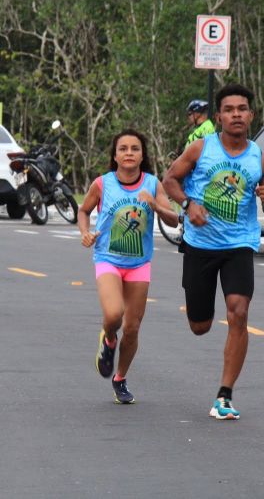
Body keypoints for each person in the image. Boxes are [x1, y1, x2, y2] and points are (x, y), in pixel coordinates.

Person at [163, 84, 264, 420]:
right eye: (229, 109)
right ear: (219, 117)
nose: (236, 115)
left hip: (239, 244)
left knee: (238, 312)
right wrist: (188, 204)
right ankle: (201, 316)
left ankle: (224, 396)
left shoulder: (261, 158)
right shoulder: (201, 149)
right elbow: (171, 179)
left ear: (252, 115)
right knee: (200, 325)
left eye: (242, 109)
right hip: (200, 244)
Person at [78, 129, 180, 404]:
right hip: (108, 258)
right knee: (114, 315)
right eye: (123, 149)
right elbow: (83, 210)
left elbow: (174, 220)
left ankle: (120, 378)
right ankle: (108, 339)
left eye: (135, 149)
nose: (129, 153)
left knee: (132, 327)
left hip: (139, 263)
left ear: (142, 155)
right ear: (115, 155)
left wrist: (156, 207)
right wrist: (84, 232)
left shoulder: (152, 183)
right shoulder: (102, 184)